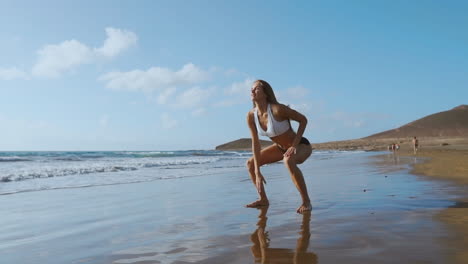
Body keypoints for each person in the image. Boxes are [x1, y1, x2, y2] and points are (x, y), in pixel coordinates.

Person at [246, 80, 313, 214]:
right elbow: (255, 142)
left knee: (288, 160)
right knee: (251, 163)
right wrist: (257, 172)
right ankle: (263, 199)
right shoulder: (251, 116)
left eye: (256, 88)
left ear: (266, 93)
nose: (252, 91)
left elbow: (303, 120)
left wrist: (294, 146)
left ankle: (306, 201)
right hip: (280, 148)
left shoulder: (277, 109)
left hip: (301, 145)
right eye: (251, 89)